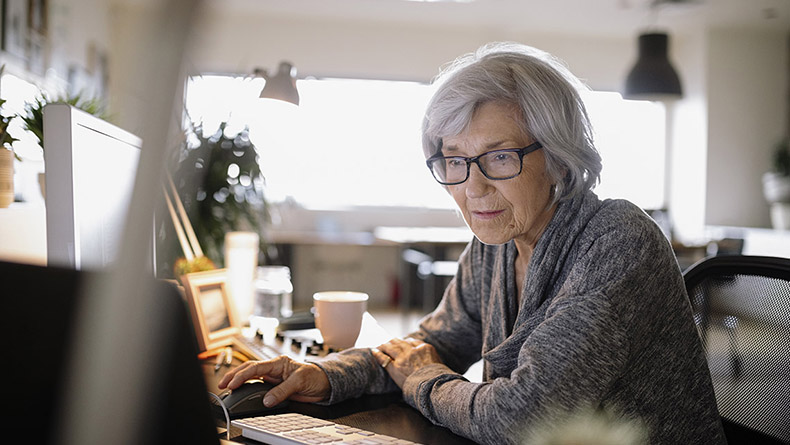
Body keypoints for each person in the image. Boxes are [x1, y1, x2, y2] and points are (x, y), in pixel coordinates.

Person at [219, 42, 726, 445]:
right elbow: (429, 345)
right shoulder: (496, 243)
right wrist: (326, 375)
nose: (473, 188)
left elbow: (520, 420)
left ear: (560, 158)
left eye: (500, 157)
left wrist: (423, 381)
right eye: (454, 159)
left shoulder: (617, 242)